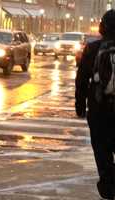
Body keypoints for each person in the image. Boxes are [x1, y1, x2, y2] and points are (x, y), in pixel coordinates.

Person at [75, 9, 115, 200]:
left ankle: (108, 186)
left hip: (99, 110)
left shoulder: (92, 49)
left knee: (101, 149)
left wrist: (80, 105)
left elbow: (81, 79)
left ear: (102, 28)